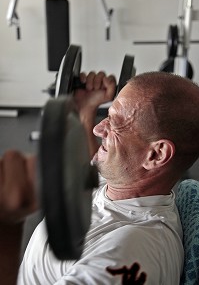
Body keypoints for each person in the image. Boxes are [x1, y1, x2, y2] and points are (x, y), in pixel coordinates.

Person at [1, 71, 199, 285]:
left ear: (156, 154)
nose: (98, 129)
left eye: (116, 122)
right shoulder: (124, 180)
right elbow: (91, 169)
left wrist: (7, 223)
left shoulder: (132, 249)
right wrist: (87, 109)